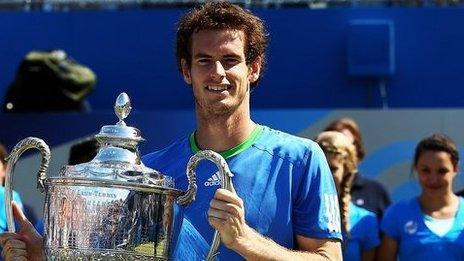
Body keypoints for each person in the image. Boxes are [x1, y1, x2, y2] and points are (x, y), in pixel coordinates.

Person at [0, 2, 343, 260]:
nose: (217, 72)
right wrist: (43, 254)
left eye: (230, 60)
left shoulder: (300, 159)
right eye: (204, 60)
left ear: (253, 68)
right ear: (186, 71)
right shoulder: (151, 173)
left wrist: (245, 241)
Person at [378, 134, 464, 260]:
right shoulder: (397, 213)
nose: (433, 180)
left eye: (442, 171)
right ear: (416, 168)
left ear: (456, 169)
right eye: (426, 170)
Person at [316, 131, 379, 261]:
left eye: (333, 169)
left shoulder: (366, 220)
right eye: (321, 166)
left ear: (346, 170)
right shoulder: (296, 213)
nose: (325, 174)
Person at [324, 117, 391, 220]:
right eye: (334, 145)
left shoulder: (376, 191)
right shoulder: (310, 194)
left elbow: (388, 234)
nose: (341, 151)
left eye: (347, 144)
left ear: (358, 149)